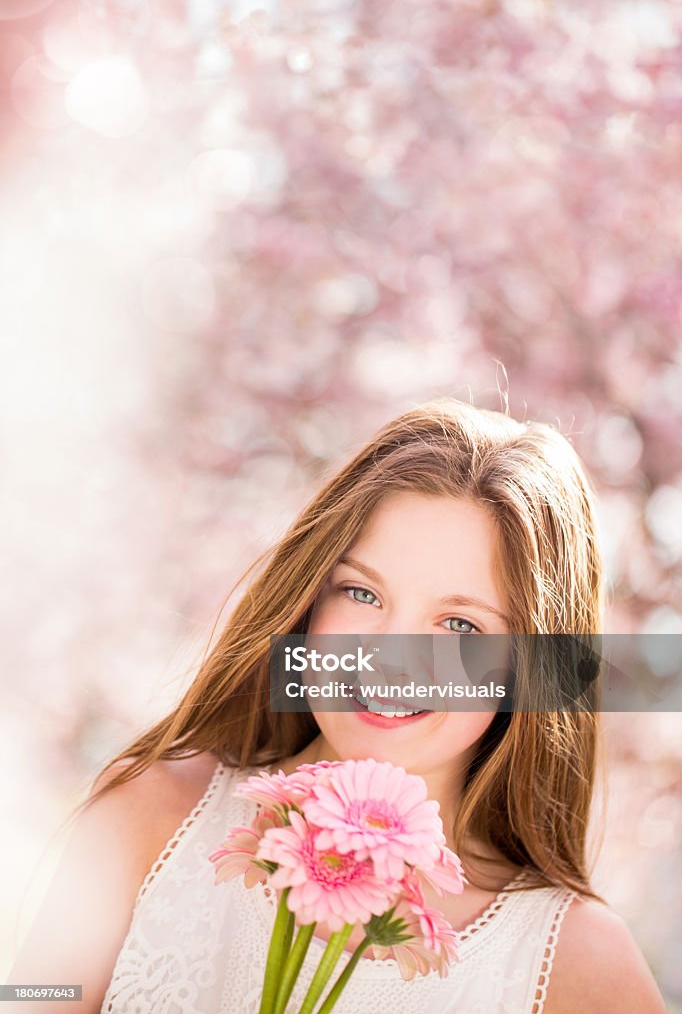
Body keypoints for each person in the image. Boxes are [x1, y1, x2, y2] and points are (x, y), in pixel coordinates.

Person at [7, 398, 667, 1014]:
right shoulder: (148, 817)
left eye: (460, 626)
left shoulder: (578, 963)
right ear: (309, 598)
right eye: (362, 594)